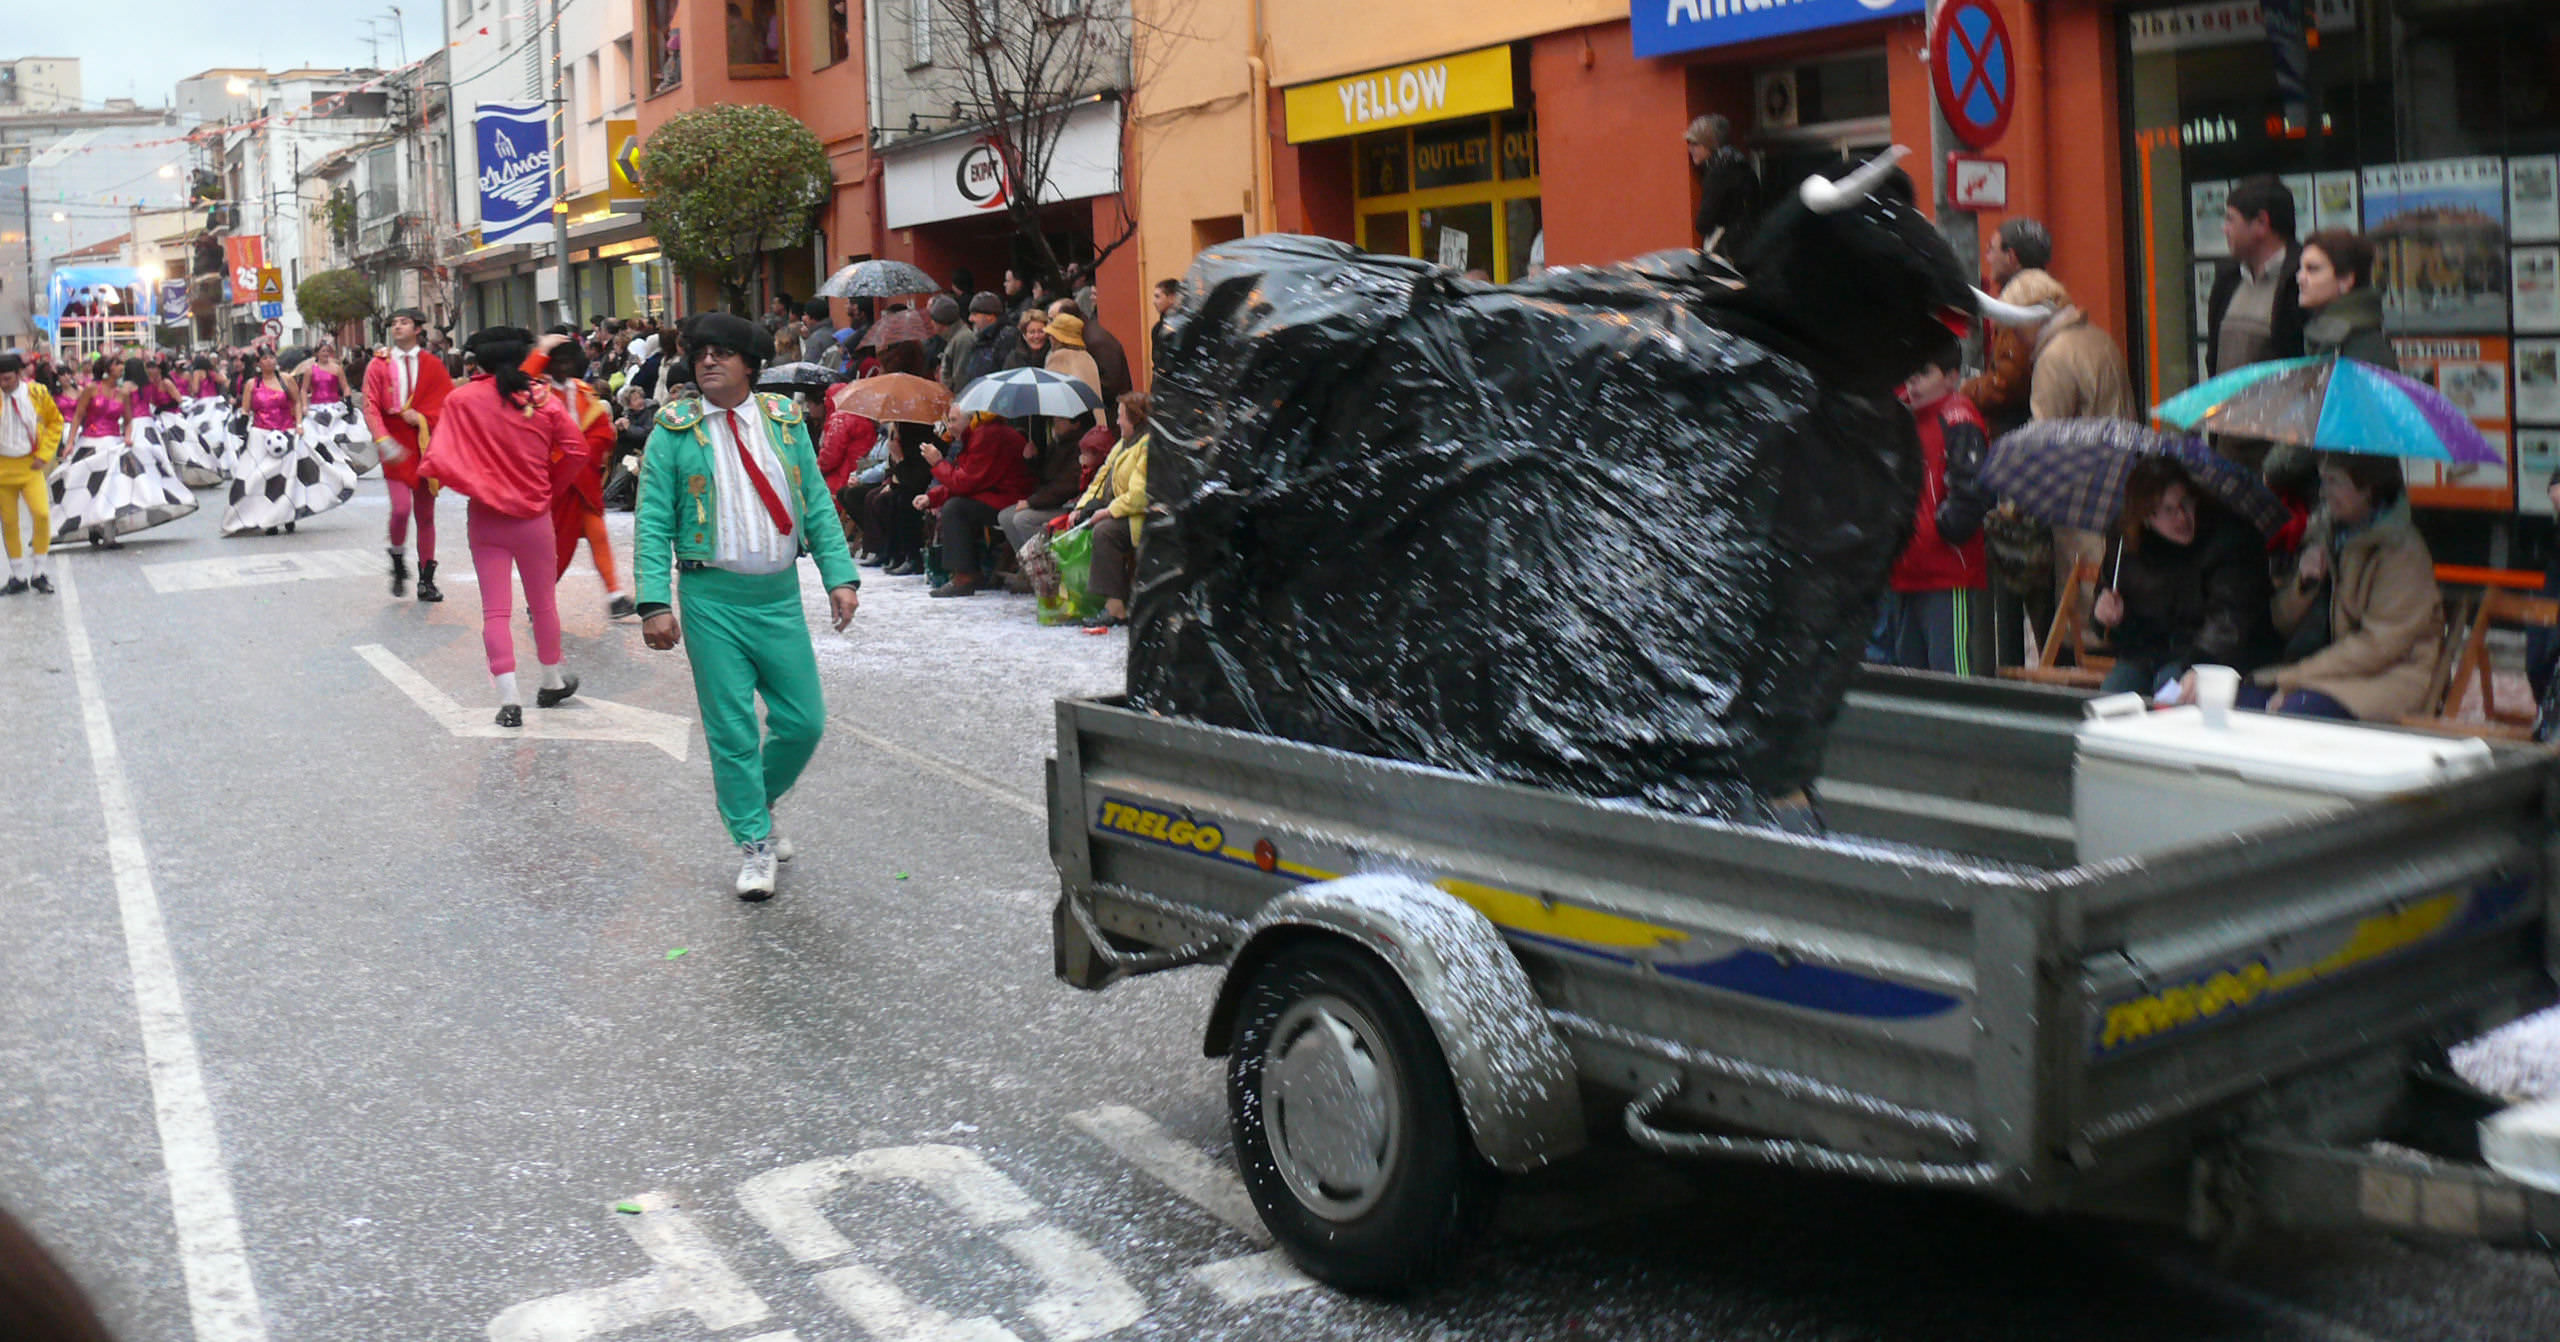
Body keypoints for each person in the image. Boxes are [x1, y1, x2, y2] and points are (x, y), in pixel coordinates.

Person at [633, 312, 860, 901]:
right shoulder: (673, 432)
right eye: (701, 353)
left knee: (804, 721)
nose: (708, 361)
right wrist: (654, 601)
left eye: (723, 352)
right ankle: (755, 842)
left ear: (751, 365)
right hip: (711, 599)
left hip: (778, 597)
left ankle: (754, 804)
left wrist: (839, 575)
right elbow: (653, 521)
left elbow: (815, 501)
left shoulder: (784, 422)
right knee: (731, 728)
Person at [423, 328, 590, 726]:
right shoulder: (542, 400)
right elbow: (577, 451)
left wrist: (475, 480)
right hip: (535, 516)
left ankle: (509, 699)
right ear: (522, 359)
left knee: (495, 610)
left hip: (486, 517)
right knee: (543, 603)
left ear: (477, 362)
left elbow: (439, 456)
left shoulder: (460, 400)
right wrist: (550, 486)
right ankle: (551, 680)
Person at [2240, 455, 2439, 720]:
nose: (2323, 492)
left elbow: (2379, 647)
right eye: (2323, 481)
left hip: (2392, 675)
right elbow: (2281, 622)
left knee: (2295, 713)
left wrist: (2296, 677)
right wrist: (2304, 583)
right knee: (2244, 700)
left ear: (2368, 489)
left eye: (2334, 482)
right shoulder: (2326, 535)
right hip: (2332, 670)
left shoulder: (2403, 552)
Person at [2090, 458, 2276, 699]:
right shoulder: (2125, 540)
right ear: (2145, 517)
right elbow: (2108, 599)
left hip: (2213, 653)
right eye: (2168, 510)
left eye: (2186, 503)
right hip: (2147, 651)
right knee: (2114, 692)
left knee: (2169, 691)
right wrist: (2106, 618)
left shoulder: (2229, 540)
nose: (2182, 517)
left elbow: (2231, 620)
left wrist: (2201, 663)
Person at [1869, 337, 1993, 675]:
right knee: (1914, 679)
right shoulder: (1903, 417)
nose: (1913, 381)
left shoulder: (1958, 417)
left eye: (1923, 372)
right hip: (1907, 570)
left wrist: (1945, 529)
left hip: (1944, 571)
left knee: (1951, 675)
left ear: (1951, 377)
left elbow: (1972, 488)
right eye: (1910, 372)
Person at [540, 334, 636, 618]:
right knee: (557, 546)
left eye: (568, 361)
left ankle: (615, 595)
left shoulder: (584, 392)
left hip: (583, 483)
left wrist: (583, 451)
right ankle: (540, 597)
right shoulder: (538, 393)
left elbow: (602, 432)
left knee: (599, 535)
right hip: (556, 484)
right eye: (558, 361)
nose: (563, 366)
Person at [365, 307, 456, 600]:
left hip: (426, 443)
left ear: (417, 329)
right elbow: (370, 405)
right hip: (394, 445)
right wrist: (382, 439)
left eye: (404, 323)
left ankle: (427, 580)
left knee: (426, 515)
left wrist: (423, 418)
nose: (397, 327)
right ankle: (397, 559)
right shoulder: (378, 365)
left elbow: (447, 404)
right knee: (401, 508)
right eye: (394, 323)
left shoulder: (433, 364)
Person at [59, 354, 198, 547]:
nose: (121, 368)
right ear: (107, 369)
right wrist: (70, 443)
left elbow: (128, 419)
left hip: (114, 443)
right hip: (91, 443)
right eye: (117, 364)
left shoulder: (122, 393)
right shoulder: (92, 389)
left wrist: (128, 436)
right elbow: (78, 416)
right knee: (91, 487)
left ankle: (109, 534)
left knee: (112, 488)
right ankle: (93, 526)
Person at [916, 407, 1033, 597]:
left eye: (953, 420)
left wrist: (938, 463)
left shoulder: (986, 435)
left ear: (970, 419)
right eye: (948, 421)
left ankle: (964, 577)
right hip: (999, 494)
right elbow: (968, 477)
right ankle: (969, 573)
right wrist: (932, 497)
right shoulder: (979, 435)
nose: (949, 427)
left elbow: (965, 482)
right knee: (956, 506)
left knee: (955, 509)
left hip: (1009, 497)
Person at [1958, 217, 2050, 438]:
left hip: (2018, 431)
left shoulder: (2020, 307)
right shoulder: (2045, 296)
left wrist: (1965, 389)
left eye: (1991, 249)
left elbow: (2006, 385)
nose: (1987, 258)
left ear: (2011, 257)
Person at [2206, 175, 2305, 377]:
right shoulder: (2228, 280)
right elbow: (2213, 360)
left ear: (2261, 222)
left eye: (2230, 219)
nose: (2224, 229)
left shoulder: (2301, 281)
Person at [1066, 392, 1150, 630]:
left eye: (1121, 416)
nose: (1117, 421)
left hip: (1141, 514)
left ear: (1135, 419)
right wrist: (1081, 508)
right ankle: (1077, 599)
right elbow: (1101, 479)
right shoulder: (1123, 444)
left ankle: (1115, 607)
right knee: (1076, 523)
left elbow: (1140, 495)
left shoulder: (1147, 446)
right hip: (1121, 510)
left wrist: (1108, 511)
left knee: (1105, 532)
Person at [0, 352, 65, 594]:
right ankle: (17, 575)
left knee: (42, 514)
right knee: (9, 522)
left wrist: (45, 454)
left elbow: (55, 422)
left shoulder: (36, 393)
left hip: (30, 465)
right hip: (3, 467)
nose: (3, 384)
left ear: (19, 375)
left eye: (7, 379)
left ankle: (39, 571)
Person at [2297, 230, 2393, 368]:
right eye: (2301, 268)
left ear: (2345, 279)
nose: (2300, 278)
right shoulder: (2332, 336)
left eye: (2312, 269)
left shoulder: (2361, 345)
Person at [1685, 113, 1760, 255]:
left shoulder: (1718, 172)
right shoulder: (1741, 163)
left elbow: (1704, 223)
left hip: (1726, 248)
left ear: (1710, 144)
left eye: (1695, 144)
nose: (1690, 149)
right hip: (1749, 243)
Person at [1064, 293, 1133, 409]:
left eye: (1052, 319)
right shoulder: (1085, 335)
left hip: (1108, 411)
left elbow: (1109, 384)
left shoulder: (1096, 341)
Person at [1042, 312, 1104, 400]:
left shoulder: (1059, 358)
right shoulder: (1087, 357)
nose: (1050, 338)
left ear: (1056, 338)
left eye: (1052, 335)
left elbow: (1049, 392)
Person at [1150, 278, 1181, 366]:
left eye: (1157, 297)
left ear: (1171, 298)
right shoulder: (1157, 328)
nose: (1154, 302)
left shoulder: (1185, 326)